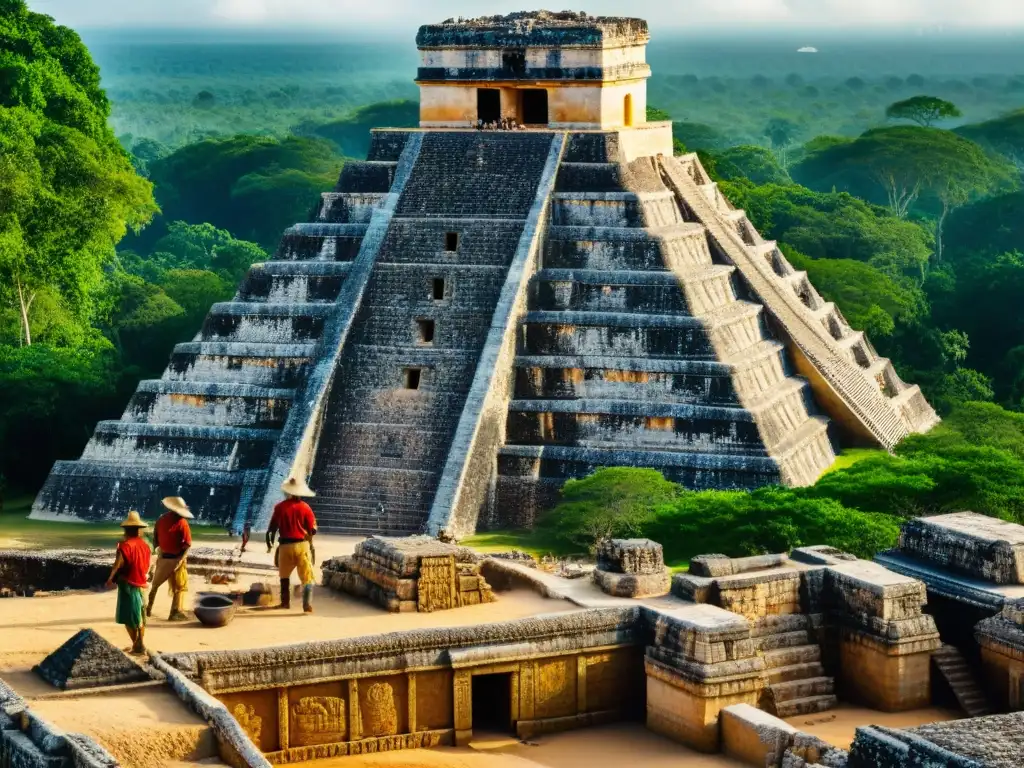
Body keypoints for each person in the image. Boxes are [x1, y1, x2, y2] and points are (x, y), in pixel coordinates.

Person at [267, 477, 318, 613]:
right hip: (302, 546)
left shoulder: (279, 507)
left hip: (285, 546)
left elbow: (271, 529)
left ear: (287, 492)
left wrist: (270, 543)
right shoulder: (306, 508)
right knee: (307, 577)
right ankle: (306, 605)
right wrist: (310, 544)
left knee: (284, 576)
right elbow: (312, 530)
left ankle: (285, 603)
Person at [105, 511, 152, 655]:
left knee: (129, 617)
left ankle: (137, 646)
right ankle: (140, 643)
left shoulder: (124, 546)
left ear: (126, 530)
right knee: (140, 616)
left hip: (128, 584)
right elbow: (148, 565)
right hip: (142, 583)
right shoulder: (145, 546)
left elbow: (118, 564)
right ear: (139, 530)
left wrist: (110, 578)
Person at [147, 496, 193, 621]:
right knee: (181, 586)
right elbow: (187, 544)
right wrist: (181, 559)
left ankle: (147, 609)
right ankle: (176, 612)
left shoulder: (161, 519)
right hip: (176, 557)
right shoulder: (182, 522)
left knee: (155, 586)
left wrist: (159, 553)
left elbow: (155, 540)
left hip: (163, 557)